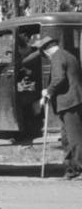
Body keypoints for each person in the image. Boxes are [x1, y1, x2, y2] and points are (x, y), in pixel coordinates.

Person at [31, 34, 82, 180]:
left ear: (45, 50)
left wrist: (48, 91)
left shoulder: (58, 57)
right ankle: (71, 169)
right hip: (70, 102)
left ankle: (78, 168)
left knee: (75, 139)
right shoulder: (67, 55)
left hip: (69, 102)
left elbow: (59, 78)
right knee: (67, 139)